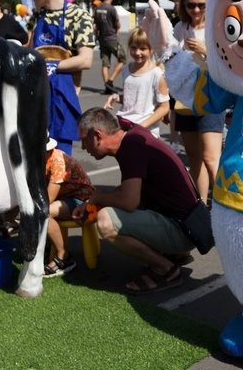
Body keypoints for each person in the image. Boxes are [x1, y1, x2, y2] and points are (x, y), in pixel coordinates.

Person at [75, 107, 197, 294]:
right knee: (118, 201)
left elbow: (129, 201)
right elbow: (128, 191)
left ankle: (166, 269)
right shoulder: (132, 136)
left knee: (106, 221)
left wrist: (98, 196)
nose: (83, 148)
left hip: (183, 230)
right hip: (190, 225)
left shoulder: (132, 147)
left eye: (84, 140)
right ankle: (172, 254)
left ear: (98, 136)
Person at [25, 0, 96, 155]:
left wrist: (48, 65)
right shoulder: (37, 15)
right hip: (36, 97)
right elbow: (30, 48)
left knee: (59, 162)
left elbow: (85, 60)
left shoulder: (78, 16)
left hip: (61, 99)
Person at [171, 0, 224, 201]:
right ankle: (201, 206)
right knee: (194, 157)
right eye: (190, 5)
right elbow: (170, 65)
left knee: (212, 158)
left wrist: (205, 51)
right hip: (185, 97)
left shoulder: (217, 27)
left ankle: (226, 205)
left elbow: (228, 64)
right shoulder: (180, 28)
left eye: (201, 5)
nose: (195, 10)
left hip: (211, 94)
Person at [40, 137, 96, 278]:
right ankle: (46, 247)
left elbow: (48, 199)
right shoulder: (41, 159)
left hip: (81, 200)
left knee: (43, 213)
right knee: (38, 210)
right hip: (65, 197)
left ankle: (64, 257)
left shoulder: (58, 161)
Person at [104, 28, 169, 137]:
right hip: (124, 124)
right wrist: (116, 97)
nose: (137, 52)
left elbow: (164, 107)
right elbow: (134, 98)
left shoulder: (156, 73)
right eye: (133, 48)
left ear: (151, 49)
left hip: (146, 131)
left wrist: (141, 127)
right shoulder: (126, 69)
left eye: (143, 48)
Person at [93, 0, 125, 94]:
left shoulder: (97, 8)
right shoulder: (111, 9)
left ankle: (107, 86)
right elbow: (118, 24)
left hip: (102, 38)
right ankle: (110, 81)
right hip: (112, 38)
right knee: (122, 59)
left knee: (105, 63)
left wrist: (97, 37)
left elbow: (96, 26)